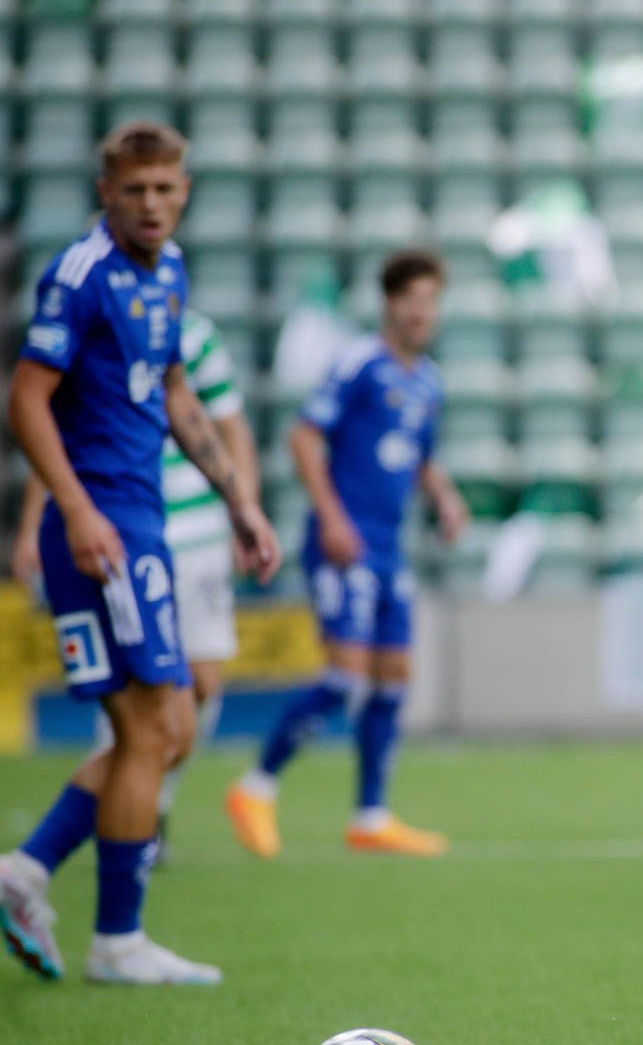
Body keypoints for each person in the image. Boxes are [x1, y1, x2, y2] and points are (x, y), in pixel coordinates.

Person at [0, 121, 280, 985]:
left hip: (144, 525)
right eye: (135, 190)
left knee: (170, 726)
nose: (151, 204)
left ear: (184, 191)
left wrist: (238, 499)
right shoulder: (82, 276)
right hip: (106, 534)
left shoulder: (169, 274)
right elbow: (26, 398)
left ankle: (25, 872)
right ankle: (117, 941)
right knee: (153, 725)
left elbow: (174, 392)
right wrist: (76, 511)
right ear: (105, 194)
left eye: (165, 188)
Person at [225, 250, 467, 859]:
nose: (422, 313)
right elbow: (304, 437)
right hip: (344, 542)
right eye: (412, 300)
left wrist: (445, 497)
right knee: (344, 677)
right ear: (390, 304)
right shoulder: (360, 362)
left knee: (392, 681)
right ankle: (256, 787)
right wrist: (331, 517)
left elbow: (419, 455)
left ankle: (371, 815)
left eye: (431, 301)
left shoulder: (428, 380)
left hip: (389, 548)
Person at [12, 309, 260, 866]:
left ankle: (143, 810)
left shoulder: (192, 331)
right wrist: (34, 525)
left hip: (196, 533)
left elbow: (226, 422)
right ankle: (83, 861)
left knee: (196, 690)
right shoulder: (87, 311)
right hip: (121, 532)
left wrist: (244, 508)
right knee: (139, 708)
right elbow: (48, 424)